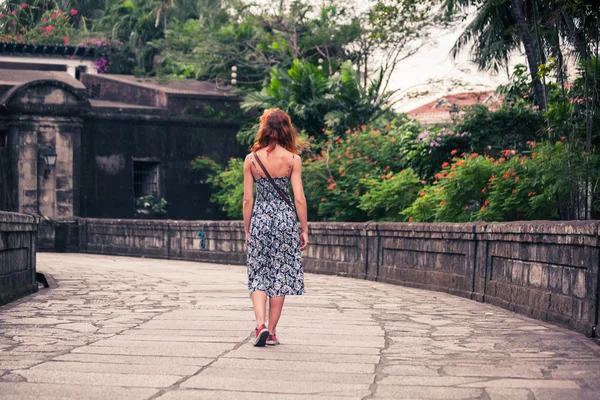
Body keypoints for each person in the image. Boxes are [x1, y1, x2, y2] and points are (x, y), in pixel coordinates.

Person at [243, 108, 309, 347]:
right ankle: (271, 332)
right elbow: (299, 198)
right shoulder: (293, 159)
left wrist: (247, 229)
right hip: (284, 221)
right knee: (280, 274)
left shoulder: (251, 160)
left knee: (259, 273)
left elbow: (248, 199)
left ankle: (259, 323)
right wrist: (304, 229)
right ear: (286, 130)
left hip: (260, 219)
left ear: (264, 129)